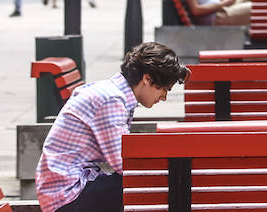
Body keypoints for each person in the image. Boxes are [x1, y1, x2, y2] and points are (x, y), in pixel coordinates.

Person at [35, 41, 189, 212]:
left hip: (66, 188)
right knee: (154, 187)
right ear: (147, 79)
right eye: (165, 89)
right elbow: (123, 163)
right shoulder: (111, 100)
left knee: (150, 184)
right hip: (68, 194)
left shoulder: (113, 93)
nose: (164, 97)